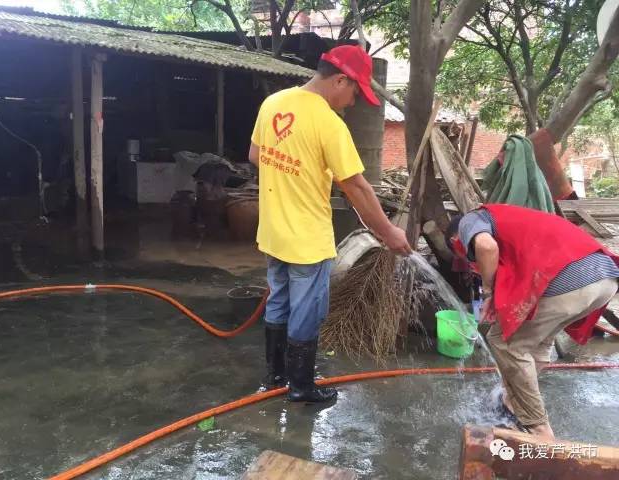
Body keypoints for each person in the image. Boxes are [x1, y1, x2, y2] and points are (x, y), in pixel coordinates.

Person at [248, 45, 411, 403]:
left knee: (279, 302)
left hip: (274, 232)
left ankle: (276, 376)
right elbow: (356, 186)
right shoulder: (328, 123)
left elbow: (256, 155)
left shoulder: (273, 103)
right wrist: (389, 232)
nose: (352, 102)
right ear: (340, 79)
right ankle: (302, 386)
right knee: (307, 311)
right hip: (307, 238)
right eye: (355, 91)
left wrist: (292, 174)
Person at [445, 204, 619, 440]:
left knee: (503, 342)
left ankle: (538, 428)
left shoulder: (469, 221)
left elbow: (486, 247)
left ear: (456, 239)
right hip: (605, 278)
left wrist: (489, 293)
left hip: (570, 279)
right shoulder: (508, 216)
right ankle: (511, 400)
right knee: (538, 340)